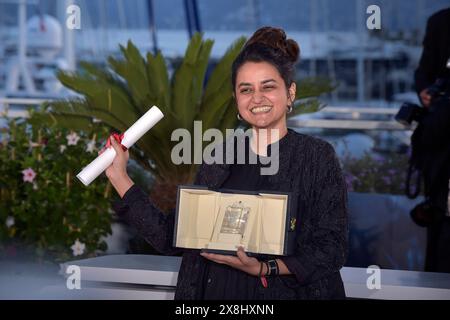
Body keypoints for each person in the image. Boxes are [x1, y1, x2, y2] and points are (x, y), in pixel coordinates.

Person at [107, 26, 348, 299]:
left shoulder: (316, 157)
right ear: (236, 100)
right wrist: (119, 176)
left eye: (268, 86)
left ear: (290, 93)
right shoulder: (220, 157)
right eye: (246, 90)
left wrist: (262, 268)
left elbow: (331, 248)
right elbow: (171, 237)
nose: (257, 98)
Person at [413, 8, 450, 273]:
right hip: (442, 143)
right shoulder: (440, 22)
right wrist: (425, 91)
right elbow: (424, 73)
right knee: (441, 227)